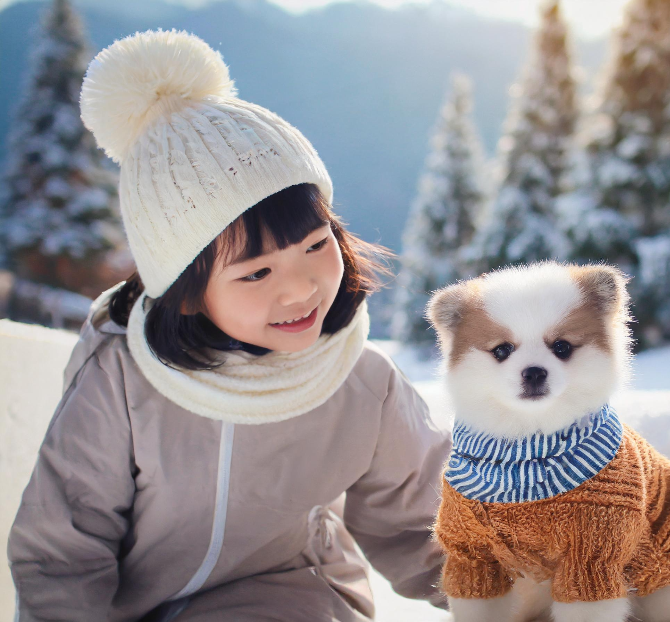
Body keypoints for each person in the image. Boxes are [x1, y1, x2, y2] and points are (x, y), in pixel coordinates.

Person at [8, 29, 450, 621]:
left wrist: (518, 600)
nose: (299, 288)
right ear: (186, 294)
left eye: (316, 245)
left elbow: (425, 526)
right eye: (255, 273)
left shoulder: (361, 380)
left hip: (296, 595)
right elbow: (63, 553)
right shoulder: (122, 381)